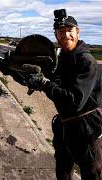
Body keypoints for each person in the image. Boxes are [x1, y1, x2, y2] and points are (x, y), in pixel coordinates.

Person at [26, 9, 102, 179]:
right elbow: (54, 84)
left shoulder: (86, 61)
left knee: (91, 173)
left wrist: (45, 84)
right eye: (61, 31)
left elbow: (74, 101)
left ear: (78, 32)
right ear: (56, 34)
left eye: (70, 30)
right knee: (63, 169)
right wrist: (33, 79)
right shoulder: (64, 57)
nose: (66, 35)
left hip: (87, 128)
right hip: (65, 125)